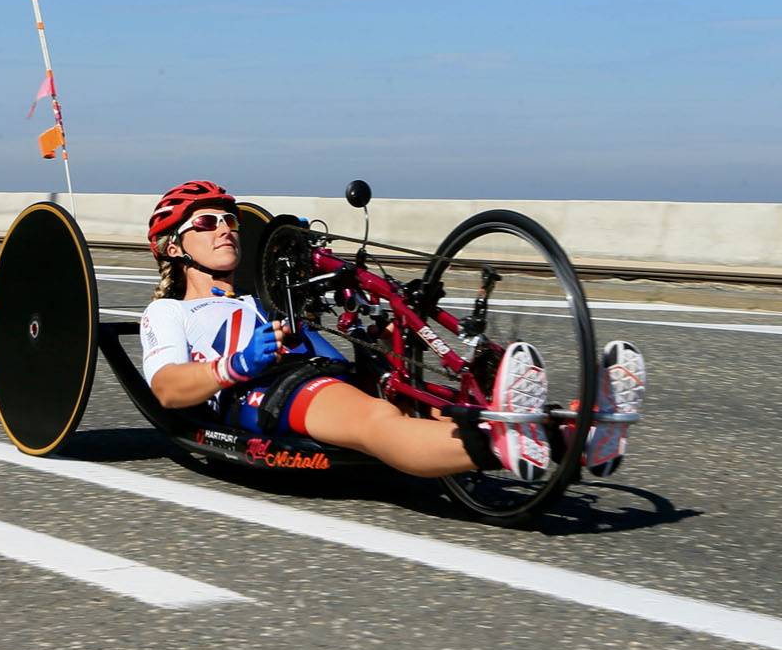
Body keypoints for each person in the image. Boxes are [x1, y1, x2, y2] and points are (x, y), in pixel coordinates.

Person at [137, 180, 644, 480]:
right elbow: (166, 389)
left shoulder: (261, 296)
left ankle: (584, 427)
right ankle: (503, 443)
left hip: (324, 368)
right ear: (175, 248)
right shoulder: (168, 312)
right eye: (205, 223)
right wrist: (235, 365)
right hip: (262, 389)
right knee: (378, 421)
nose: (225, 228)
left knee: (433, 399)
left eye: (229, 220)